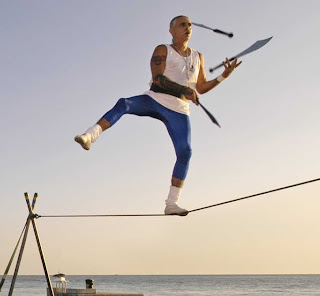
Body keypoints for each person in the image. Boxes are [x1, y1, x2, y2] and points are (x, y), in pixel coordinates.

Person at [74, 15, 242, 216]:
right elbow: (158, 79)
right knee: (124, 103)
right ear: (172, 30)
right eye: (182, 24)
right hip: (155, 99)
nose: (187, 27)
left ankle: (171, 203)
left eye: (189, 25)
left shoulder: (198, 56)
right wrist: (184, 90)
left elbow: (202, 87)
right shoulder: (163, 50)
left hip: (179, 110)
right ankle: (90, 136)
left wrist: (224, 76)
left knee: (185, 152)